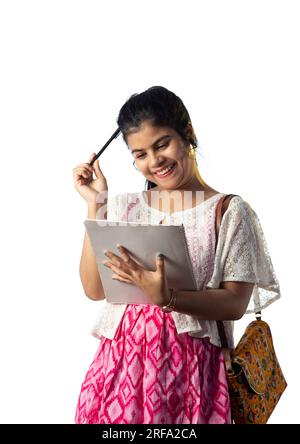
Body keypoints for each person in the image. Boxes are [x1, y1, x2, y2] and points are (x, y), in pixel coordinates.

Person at [72, 86, 281, 424]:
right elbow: (95, 290)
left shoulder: (229, 211)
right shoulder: (124, 207)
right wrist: (95, 204)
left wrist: (169, 297)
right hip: (120, 370)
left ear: (188, 134)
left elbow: (235, 303)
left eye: (161, 144)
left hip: (192, 371)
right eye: (140, 154)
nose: (154, 162)